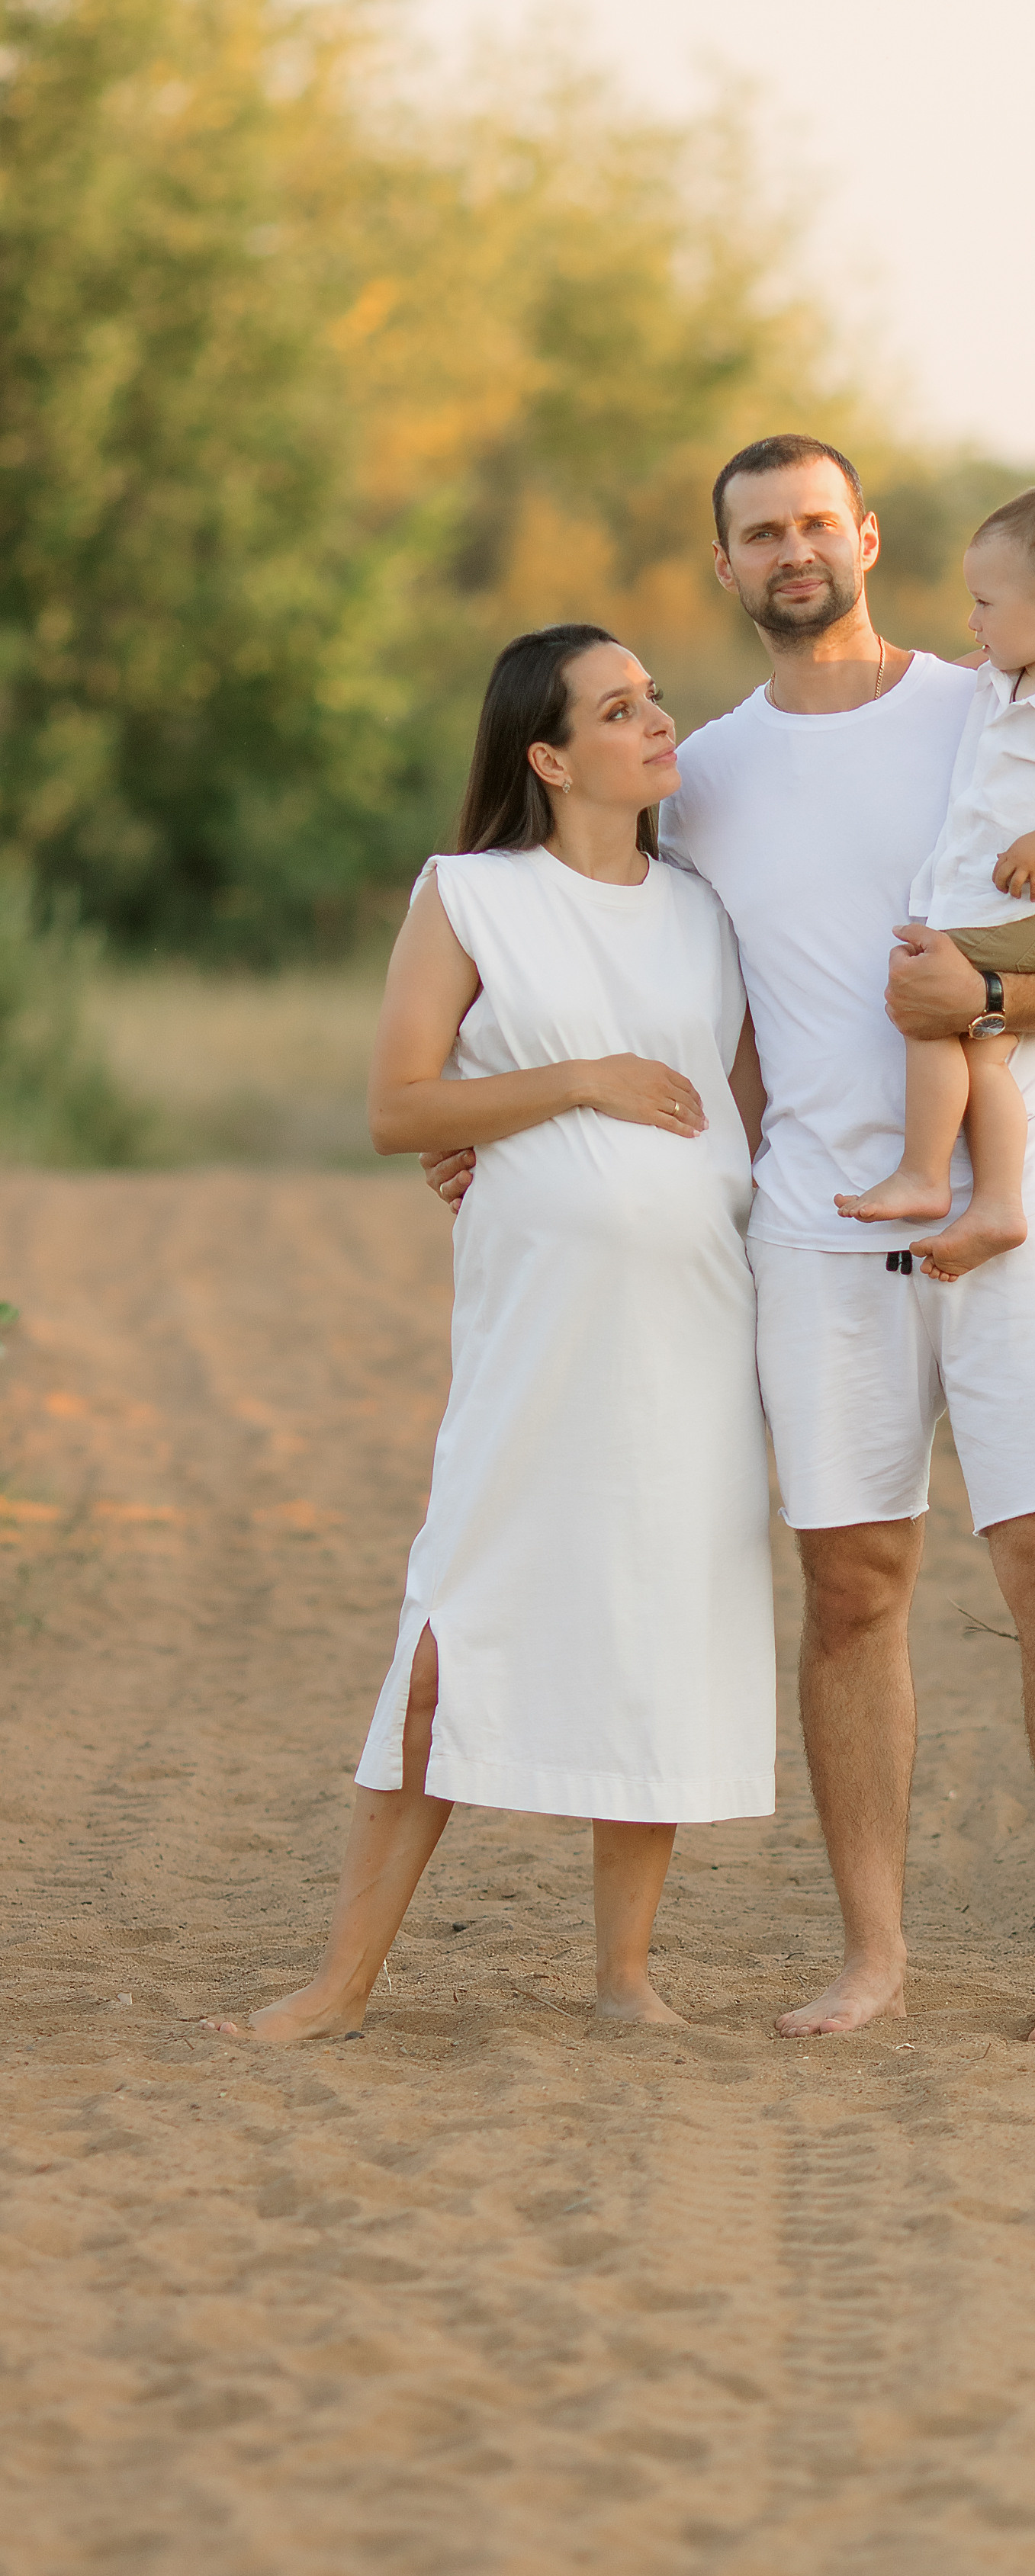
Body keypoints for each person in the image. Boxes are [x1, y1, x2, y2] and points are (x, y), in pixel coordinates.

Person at [426, 435, 1035, 2042]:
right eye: (758, 533)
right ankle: (874, 1957)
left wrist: (978, 996)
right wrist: (499, 1137)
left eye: (814, 523)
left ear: (866, 537)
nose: (790, 551)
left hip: (1016, 1197)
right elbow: (636, 983)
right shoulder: (710, 775)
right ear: (725, 566)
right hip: (814, 1225)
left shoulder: (989, 704)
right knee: (851, 1585)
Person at [209, 624, 773, 2045]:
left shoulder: (707, 911)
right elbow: (400, 1107)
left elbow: (746, 1113)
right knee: (456, 1625)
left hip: (691, 1335)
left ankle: (626, 1977)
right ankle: (340, 1983)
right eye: (620, 708)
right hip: (542, 1339)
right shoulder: (471, 896)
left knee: (656, 1629)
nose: (659, 723)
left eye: (655, 699)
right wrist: (573, 1081)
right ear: (548, 754)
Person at [834, 483, 1035, 1282]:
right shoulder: (1006, 670)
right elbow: (947, 679)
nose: (972, 621)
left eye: (983, 603)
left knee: (927, 987)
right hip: (1019, 904)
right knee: (981, 1048)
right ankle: (997, 1204)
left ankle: (923, 1175)